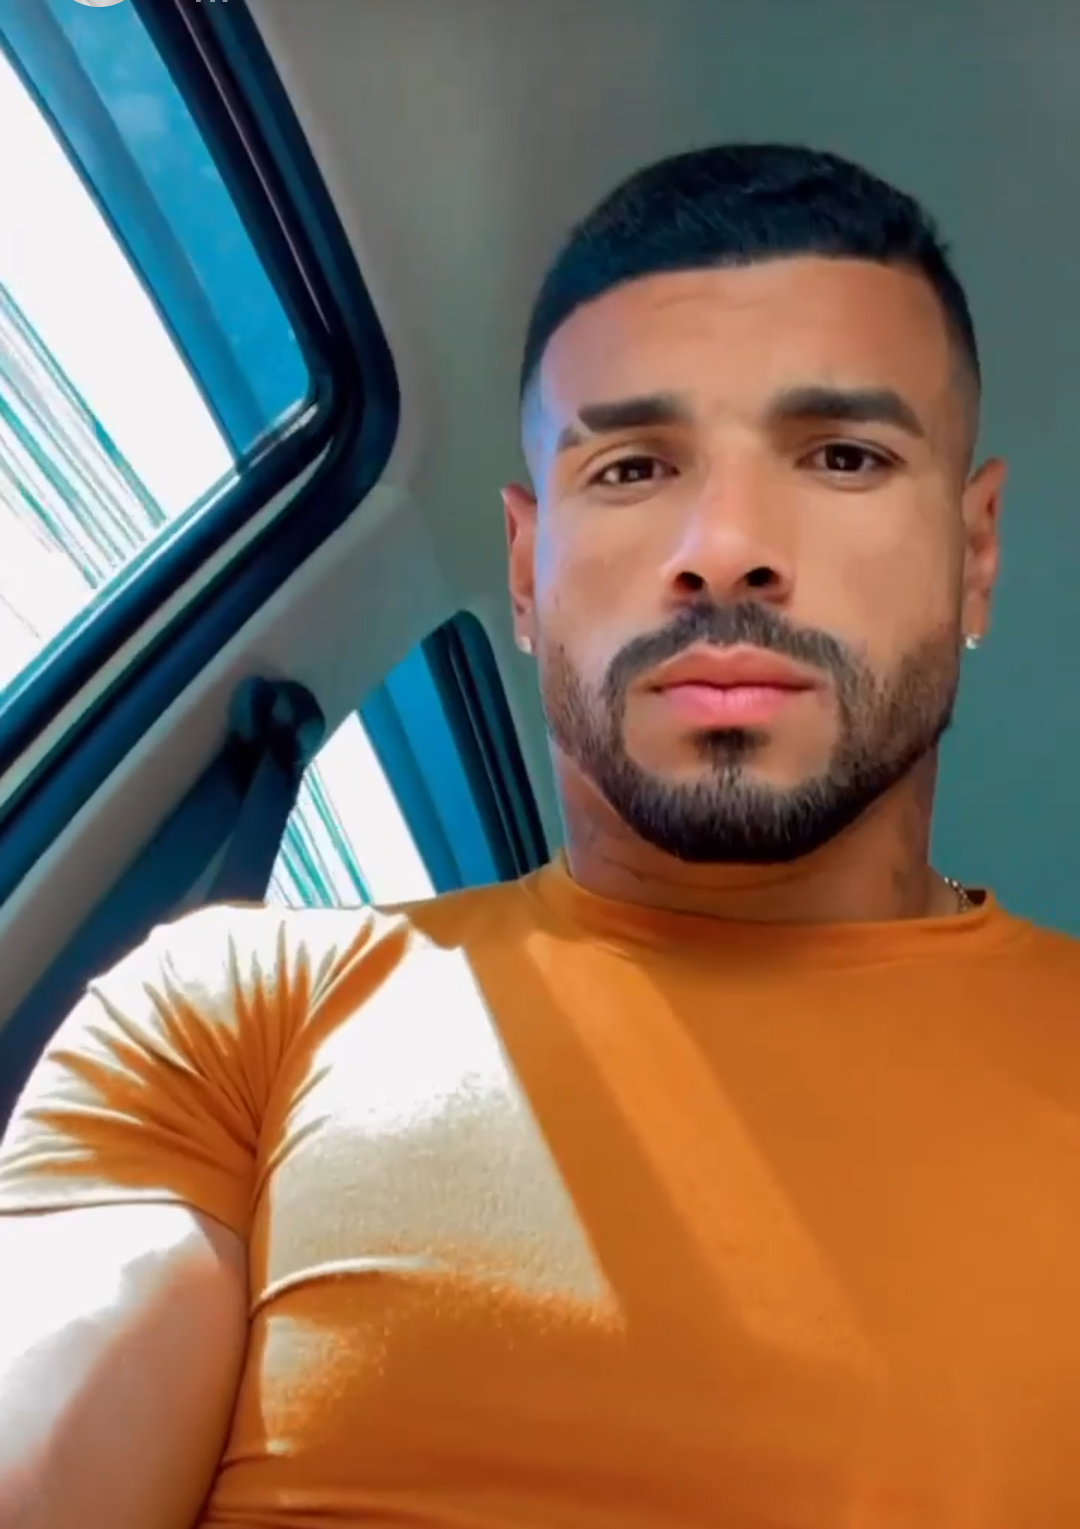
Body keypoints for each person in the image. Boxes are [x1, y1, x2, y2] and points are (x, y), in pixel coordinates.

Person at [1, 142, 1077, 1529]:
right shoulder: (233, 1015)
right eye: (633, 467)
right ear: (525, 570)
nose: (726, 545)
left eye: (843, 456)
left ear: (975, 551)